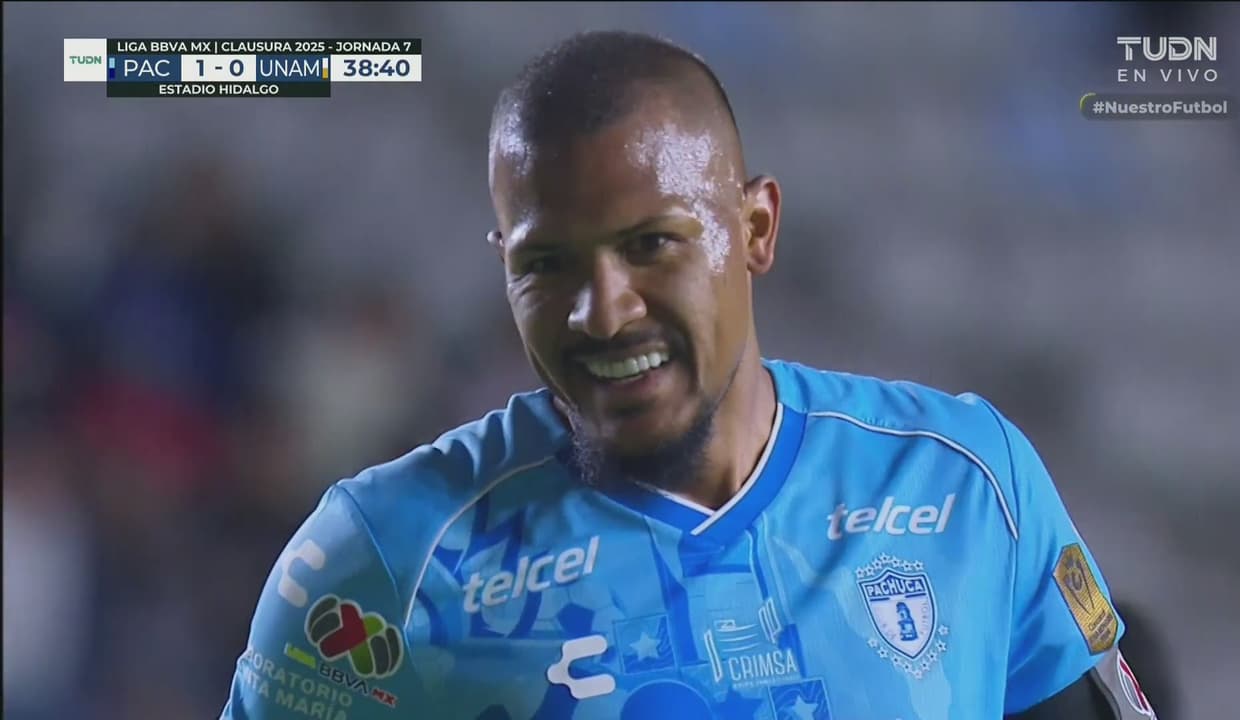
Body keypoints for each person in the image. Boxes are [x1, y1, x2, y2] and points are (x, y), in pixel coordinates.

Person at [220, 30, 1160, 719]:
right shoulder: (383, 557)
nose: (603, 310)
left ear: (756, 229)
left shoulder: (966, 483)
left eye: (651, 245)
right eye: (548, 264)